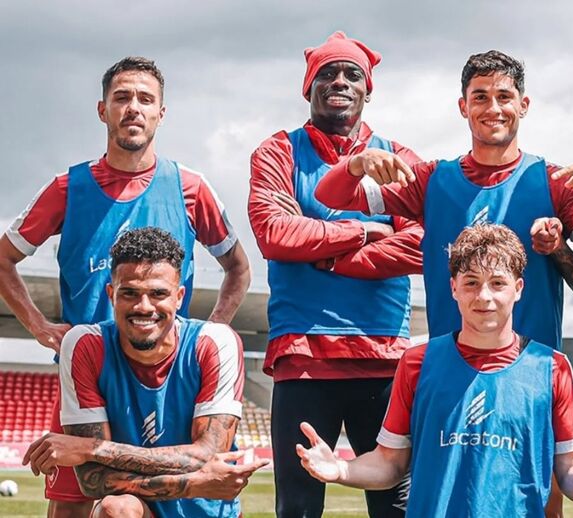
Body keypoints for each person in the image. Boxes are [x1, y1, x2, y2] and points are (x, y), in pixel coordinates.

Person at [315, 50, 573, 516]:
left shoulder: (554, 181)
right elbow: (330, 195)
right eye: (480, 97)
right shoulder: (433, 179)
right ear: (462, 107)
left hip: (530, 383)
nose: (493, 108)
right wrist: (357, 164)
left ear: (524, 105)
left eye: (504, 96)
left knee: (541, 504)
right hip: (450, 374)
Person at [0, 56, 250, 518]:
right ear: (103, 110)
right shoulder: (67, 187)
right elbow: (4, 259)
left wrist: (208, 334)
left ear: (161, 113)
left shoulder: (190, 188)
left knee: (156, 496)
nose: (133, 108)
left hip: (166, 375)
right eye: (122, 98)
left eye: (145, 99)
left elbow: (238, 267)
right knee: (75, 507)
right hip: (88, 375)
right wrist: (38, 327)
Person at [295, 224, 573, 517]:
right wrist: (341, 470)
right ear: (453, 288)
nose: (484, 296)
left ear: (518, 289)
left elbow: (571, 476)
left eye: (498, 284)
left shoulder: (551, 367)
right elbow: (390, 464)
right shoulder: (417, 362)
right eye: (471, 283)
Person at [248, 32, 423, 518]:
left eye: (352, 74)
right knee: (298, 507)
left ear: (368, 89)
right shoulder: (278, 152)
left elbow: (423, 244)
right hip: (303, 355)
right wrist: (363, 232)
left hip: (384, 354)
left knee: (397, 505)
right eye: (327, 73)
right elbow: (273, 233)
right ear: (308, 88)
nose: (339, 81)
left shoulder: (401, 157)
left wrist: (324, 247)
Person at [21, 227, 267, 518]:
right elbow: (92, 480)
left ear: (179, 296)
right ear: (111, 294)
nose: (144, 306)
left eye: (158, 294)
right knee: (117, 508)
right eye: (130, 293)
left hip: (208, 512)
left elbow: (207, 456)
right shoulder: (85, 345)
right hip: (139, 509)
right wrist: (193, 485)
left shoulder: (214, 342)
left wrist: (92, 448)